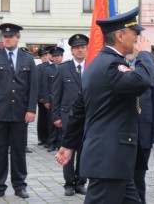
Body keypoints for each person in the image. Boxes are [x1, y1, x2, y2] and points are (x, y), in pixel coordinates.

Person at [55, 7, 154, 203]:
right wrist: (145, 55)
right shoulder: (111, 65)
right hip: (109, 159)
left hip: (115, 160)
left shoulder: (97, 64)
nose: (137, 39)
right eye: (135, 34)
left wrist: (68, 144)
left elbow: (78, 110)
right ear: (119, 35)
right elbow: (143, 81)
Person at [0, 23, 38, 199]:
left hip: (21, 113)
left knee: (18, 150)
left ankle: (19, 185)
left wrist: (31, 109)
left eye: (11, 36)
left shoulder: (28, 58)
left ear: (18, 37)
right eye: (5, 36)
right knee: (0, 151)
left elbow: (33, 87)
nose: (7, 39)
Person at [51, 34, 89, 196]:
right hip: (68, 117)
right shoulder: (63, 68)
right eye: (76, 48)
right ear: (72, 51)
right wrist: (56, 116)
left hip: (88, 118)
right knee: (68, 149)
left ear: (87, 49)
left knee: (84, 151)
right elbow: (56, 94)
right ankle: (68, 183)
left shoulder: (92, 67)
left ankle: (81, 182)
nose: (80, 50)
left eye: (82, 47)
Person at [128, 44, 154, 204]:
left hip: (143, 134)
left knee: (138, 180)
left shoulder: (148, 68)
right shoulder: (118, 67)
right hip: (122, 135)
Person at [43, 46, 64, 152]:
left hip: (62, 100)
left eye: (58, 56)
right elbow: (45, 85)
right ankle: (51, 142)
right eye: (55, 56)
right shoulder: (47, 69)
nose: (57, 58)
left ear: (62, 56)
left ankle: (60, 142)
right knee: (51, 122)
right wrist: (46, 100)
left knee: (61, 122)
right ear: (52, 57)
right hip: (51, 99)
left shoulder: (65, 68)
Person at [36, 47, 51, 147]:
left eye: (46, 55)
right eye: (43, 56)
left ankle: (50, 137)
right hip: (42, 97)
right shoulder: (39, 68)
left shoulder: (53, 66)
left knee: (51, 118)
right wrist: (40, 97)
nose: (45, 57)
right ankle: (42, 137)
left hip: (52, 96)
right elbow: (38, 83)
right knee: (42, 118)